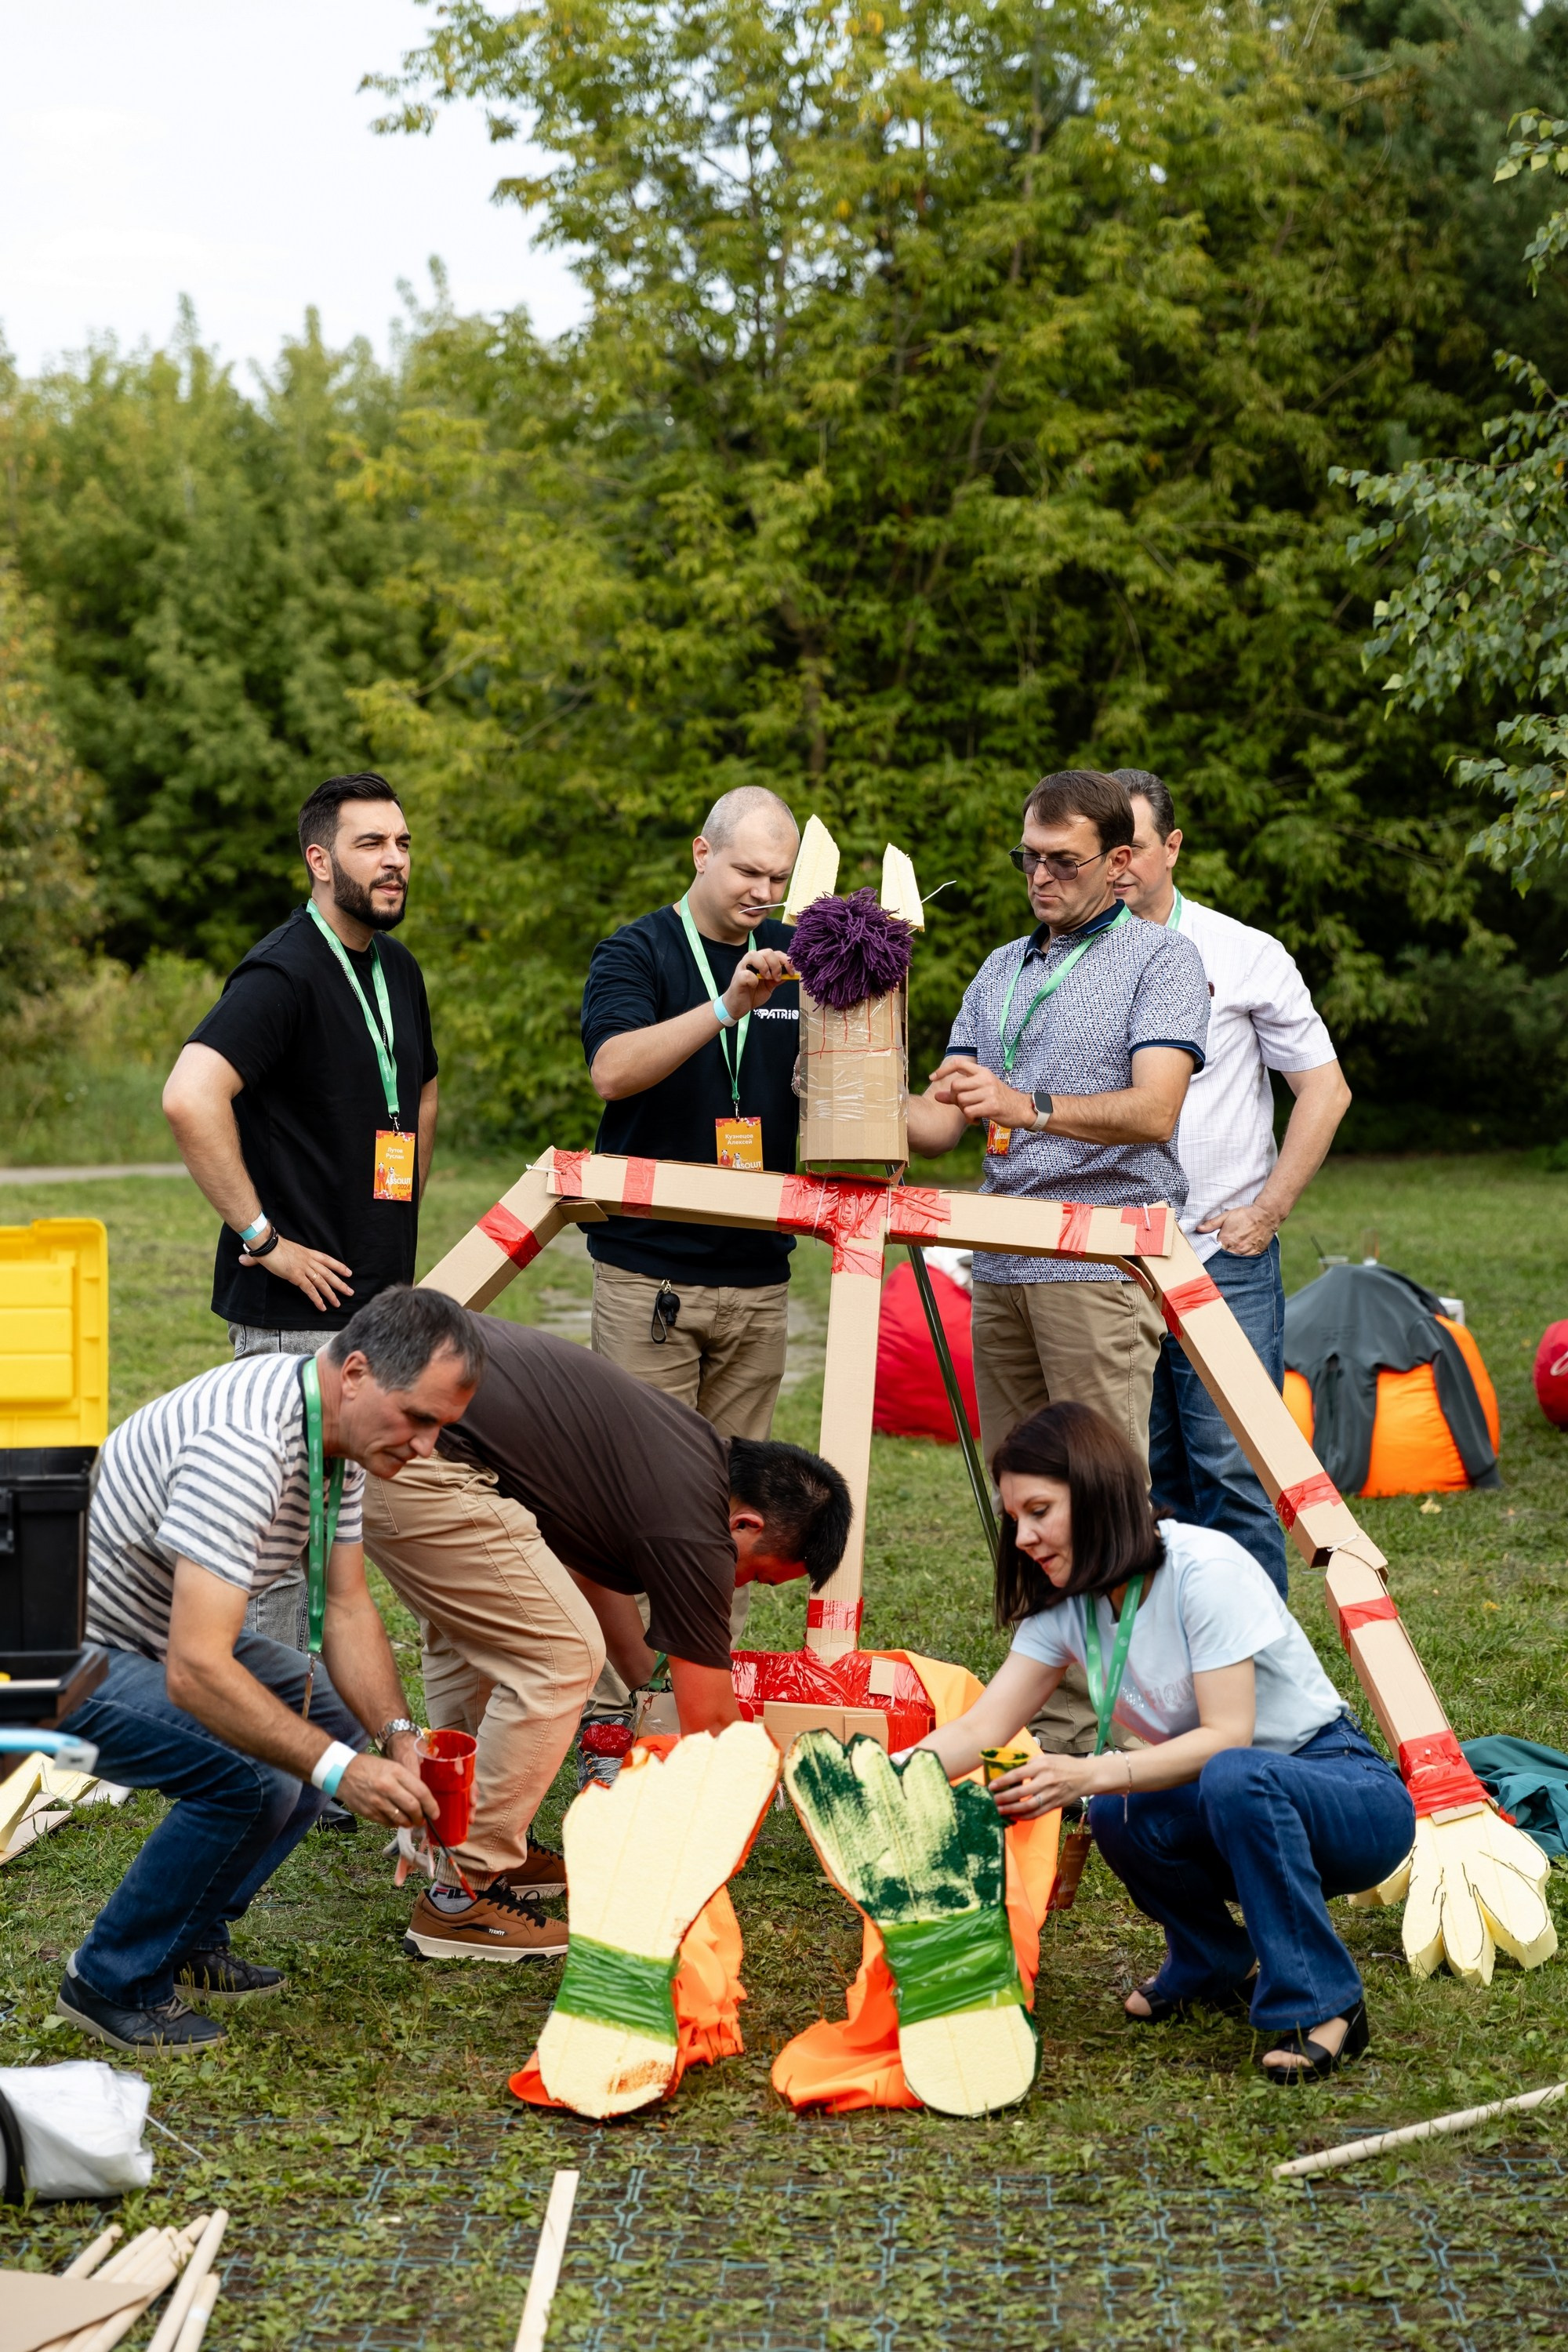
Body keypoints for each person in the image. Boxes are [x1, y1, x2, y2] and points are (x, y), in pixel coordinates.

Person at [911, 1403, 1415, 2081]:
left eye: (1039, 1510)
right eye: (1015, 1520)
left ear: (1095, 1494)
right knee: (1124, 1809)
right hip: (1228, 1796)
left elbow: (1227, 1738)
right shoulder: (1069, 1603)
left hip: (1344, 1792)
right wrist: (876, 1778)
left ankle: (1326, 2003)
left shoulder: (1205, 1568)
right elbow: (979, 1728)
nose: (1025, 1536)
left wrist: (1087, 1772)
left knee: (1226, 1774)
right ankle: (1212, 1963)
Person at [54, 1289, 481, 2055]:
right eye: (418, 1418)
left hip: (157, 1632)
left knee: (335, 1722)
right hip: (76, 1655)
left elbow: (348, 1607)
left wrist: (394, 1735)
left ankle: (188, 1938)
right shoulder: (245, 1449)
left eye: (441, 1428)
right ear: (355, 1372)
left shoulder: (336, 1435)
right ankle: (109, 1978)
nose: (425, 1446)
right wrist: (338, 1772)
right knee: (252, 1780)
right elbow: (194, 1670)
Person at [362, 1319, 852, 1960]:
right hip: (423, 1455)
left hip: (385, 1426)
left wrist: (646, 1682)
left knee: (484, 1645)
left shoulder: (689, 1455)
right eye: (755, 1572)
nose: (735, 1586)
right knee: (561, 1660)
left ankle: (464, 1838)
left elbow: (593, 1575)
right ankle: (463, 1893)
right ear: (746, 1523)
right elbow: (712, 1727)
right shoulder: (694, 1528)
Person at [906, 768, 1210, 1751]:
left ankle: (1123, 1732)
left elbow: (1155, 1110)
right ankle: (1057, 1721)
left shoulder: (1161, 961)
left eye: (1061, 861)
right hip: (998, 1268)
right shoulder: (996, 968)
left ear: (1120, 862)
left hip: (1096, 1266)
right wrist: (838, 1071)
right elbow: (939, 1127)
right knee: (1027, 1509)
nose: (1038, 876)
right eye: (1026, 858)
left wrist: (1027, 1106)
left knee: (1101, 1501)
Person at [163, 771, 439, 1652]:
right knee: (285, 1557)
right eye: (370, 844)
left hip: (375, 1305)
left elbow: (421, 1093)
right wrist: (262, 1239)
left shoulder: (396, 968)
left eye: (400, 843)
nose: (393, 861)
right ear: (319, 860)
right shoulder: (283, 969)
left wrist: (395, 1224)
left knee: (340, 1553)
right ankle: (279, 1770)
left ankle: (318, 1755)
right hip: (294, 1316)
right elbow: (189, 1096)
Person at [578, 783, 802, 1721]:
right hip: (651, 1279)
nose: (761, 891)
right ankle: (602, 1708)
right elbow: (613, 1069)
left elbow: (833, 1099)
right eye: (747, 869)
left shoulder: (802, 964)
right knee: (629, 1505)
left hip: (757, 1282)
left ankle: (698, 1704)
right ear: (701, 855)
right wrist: (725, 1004)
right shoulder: (638, 950)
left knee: (729, 1515)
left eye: (778, 878)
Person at [1111, 771, 1352, 1598]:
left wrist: (1268, 1208)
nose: (1114, 869)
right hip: (1109, 1262)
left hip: (1223, 1255)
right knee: (1141, 1479)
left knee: (1231, 1468)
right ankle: (1173, 1670)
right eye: (1097, 853)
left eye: (1131, 849)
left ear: (1171, 848)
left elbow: (1322, 1086)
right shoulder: (1066, 959)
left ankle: (1258, 1683)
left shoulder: (1242, 952)